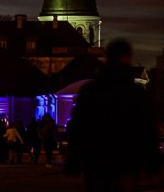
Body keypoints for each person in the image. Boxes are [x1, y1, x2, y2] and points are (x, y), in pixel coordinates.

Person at [65, 39, 160, 191]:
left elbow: (78, 128)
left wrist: (73, 163)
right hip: (127, 160)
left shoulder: (90, 91)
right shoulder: (135, 93)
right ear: (127, 58)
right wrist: (152, 162)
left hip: (96, 161)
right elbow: (147, 129)